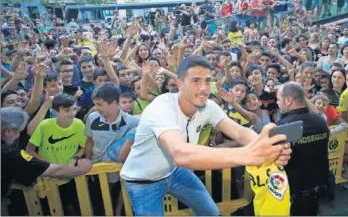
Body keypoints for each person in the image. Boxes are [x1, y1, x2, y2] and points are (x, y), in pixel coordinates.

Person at [120, 56, 291, 216]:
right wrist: (249, 154)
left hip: (174, 171)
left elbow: (239, 131)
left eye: (208, 81)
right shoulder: (162, 107)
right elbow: (180, 153)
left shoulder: (208, 106)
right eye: (195, 81)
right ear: (179, 84)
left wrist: (268, 147)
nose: (203, 88)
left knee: (211, 213)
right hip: (143, 181)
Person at [1, 107, 92, 198]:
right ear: (8, 131)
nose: (18, 136)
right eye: (19, 132)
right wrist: (81, 169)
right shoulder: (10, 154)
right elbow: (55, 171)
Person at [276, 82, 330, 216]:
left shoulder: (284, 126)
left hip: (294, 193)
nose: (277, 103)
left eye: (278, 99)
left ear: (288, 100)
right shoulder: (320, 120)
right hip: (318, 187)